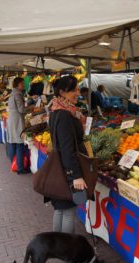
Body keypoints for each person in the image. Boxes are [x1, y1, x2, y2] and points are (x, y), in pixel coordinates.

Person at [48, 75, 87, 233]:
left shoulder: (56, 110)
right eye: (74, 90)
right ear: (63, 92)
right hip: (67, 169)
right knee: (69, 213)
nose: (78, 93)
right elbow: (67, 148)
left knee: (60, 209)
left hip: (60, 166)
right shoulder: (65, 115)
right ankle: (68, 250)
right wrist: (75, 175)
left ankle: (58, 246)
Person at [7, 77, 27, 175]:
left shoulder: (12, 93)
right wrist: (30, 108)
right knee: (19, 144)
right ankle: (20, 168)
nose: (23, 85)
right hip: (17, 121)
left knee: (13, 143)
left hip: (12, 119)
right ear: (17, 84)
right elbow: (21, 110)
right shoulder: (18, 94)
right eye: (22, 84)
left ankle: (13, 164)